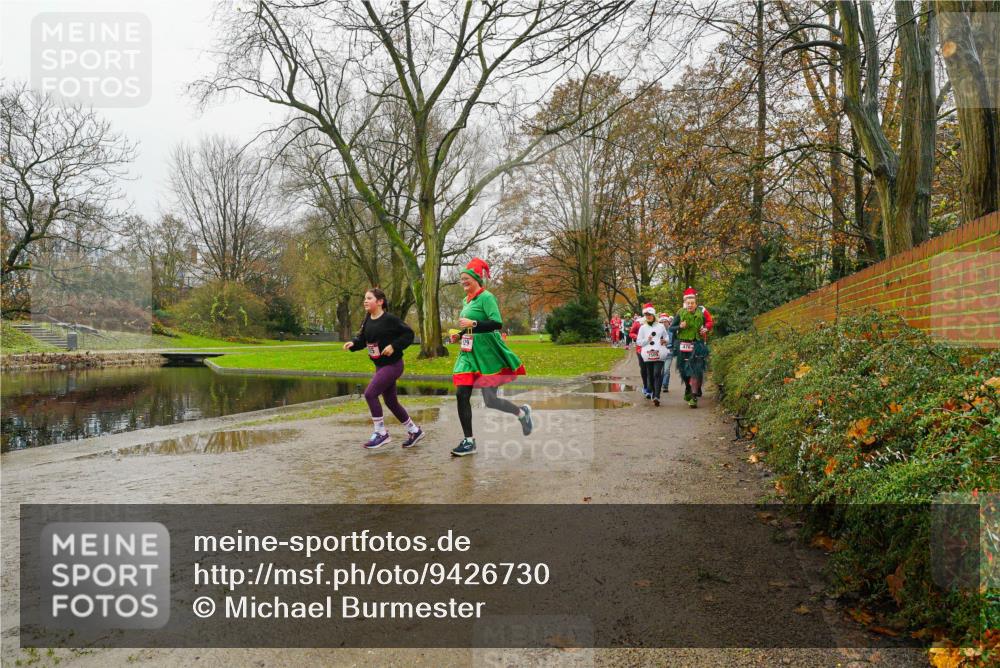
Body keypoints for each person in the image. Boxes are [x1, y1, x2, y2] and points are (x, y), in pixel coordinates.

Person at [451, 257, 533, 457]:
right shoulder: (466, 300)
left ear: (476, 278)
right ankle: (469, 441)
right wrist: (459, 335)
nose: (463, 281)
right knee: (461, 394)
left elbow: (496, 323)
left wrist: (473, 323)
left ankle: (522, 413)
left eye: (466, 278)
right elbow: (471, 326)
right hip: (468, 354)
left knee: (490, 400)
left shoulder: (486, 297)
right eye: (461, 279)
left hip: (488, 355)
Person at [343, 288, 424, 449]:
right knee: (391, 401)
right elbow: (364, 339)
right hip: (380, 367)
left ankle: (381, 433)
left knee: (370, 394)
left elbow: (408, 334)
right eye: (365, 298)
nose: (365, 301)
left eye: (369, 298)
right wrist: (354, 344)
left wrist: (394, 346)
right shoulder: (368, 320)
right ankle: (414, 431)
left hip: (393, 365)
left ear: (380, 302)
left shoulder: (390, 320)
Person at [668, 287, 714, 408]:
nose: (690, 305)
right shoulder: (680, 312)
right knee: (684, 371)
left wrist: (706, 328)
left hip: (697, 344)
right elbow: (671, 328)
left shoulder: (702, 311)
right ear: (685, 303)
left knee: (695, 370)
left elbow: (709, 322)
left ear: (695, 303)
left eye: (692, 303)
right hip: (682, 345)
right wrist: (680, 327)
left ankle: (693, 396)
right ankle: (688, 388)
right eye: (688, 303)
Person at [637, 307, 670, 406]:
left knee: (657, 373)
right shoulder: (642, 328)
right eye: (646, 315)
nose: (648, 317)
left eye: (650, 315)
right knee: (650, 375)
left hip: (659, 352)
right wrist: (647, 340)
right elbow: (639, 342)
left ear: (654, 316)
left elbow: (666, 337)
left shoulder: (660, 326)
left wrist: (665, 341)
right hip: (648, 354)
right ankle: (652, 392)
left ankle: (657, 396)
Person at [631, 305, 652, 399]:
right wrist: (638, 337)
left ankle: (650, 389)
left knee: (650, 369)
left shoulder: (655, 321)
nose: (648, 314)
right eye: (646, 313)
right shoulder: (638, 322)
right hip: (640, 349)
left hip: (652, 349)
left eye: (650, 312)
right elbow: (631, 333)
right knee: (644, 369)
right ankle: (645, 385)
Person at [658, 313, 674, 393]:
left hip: (669, 353)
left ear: (668, 322)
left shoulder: (672, 331)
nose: (664, 323)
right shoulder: (657, 331)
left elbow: (675, 342)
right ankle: (658, 384)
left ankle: (665, 385)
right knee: (660, 370)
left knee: (666, 369)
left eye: (665, 321)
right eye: (662, 322)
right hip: (659, 353)